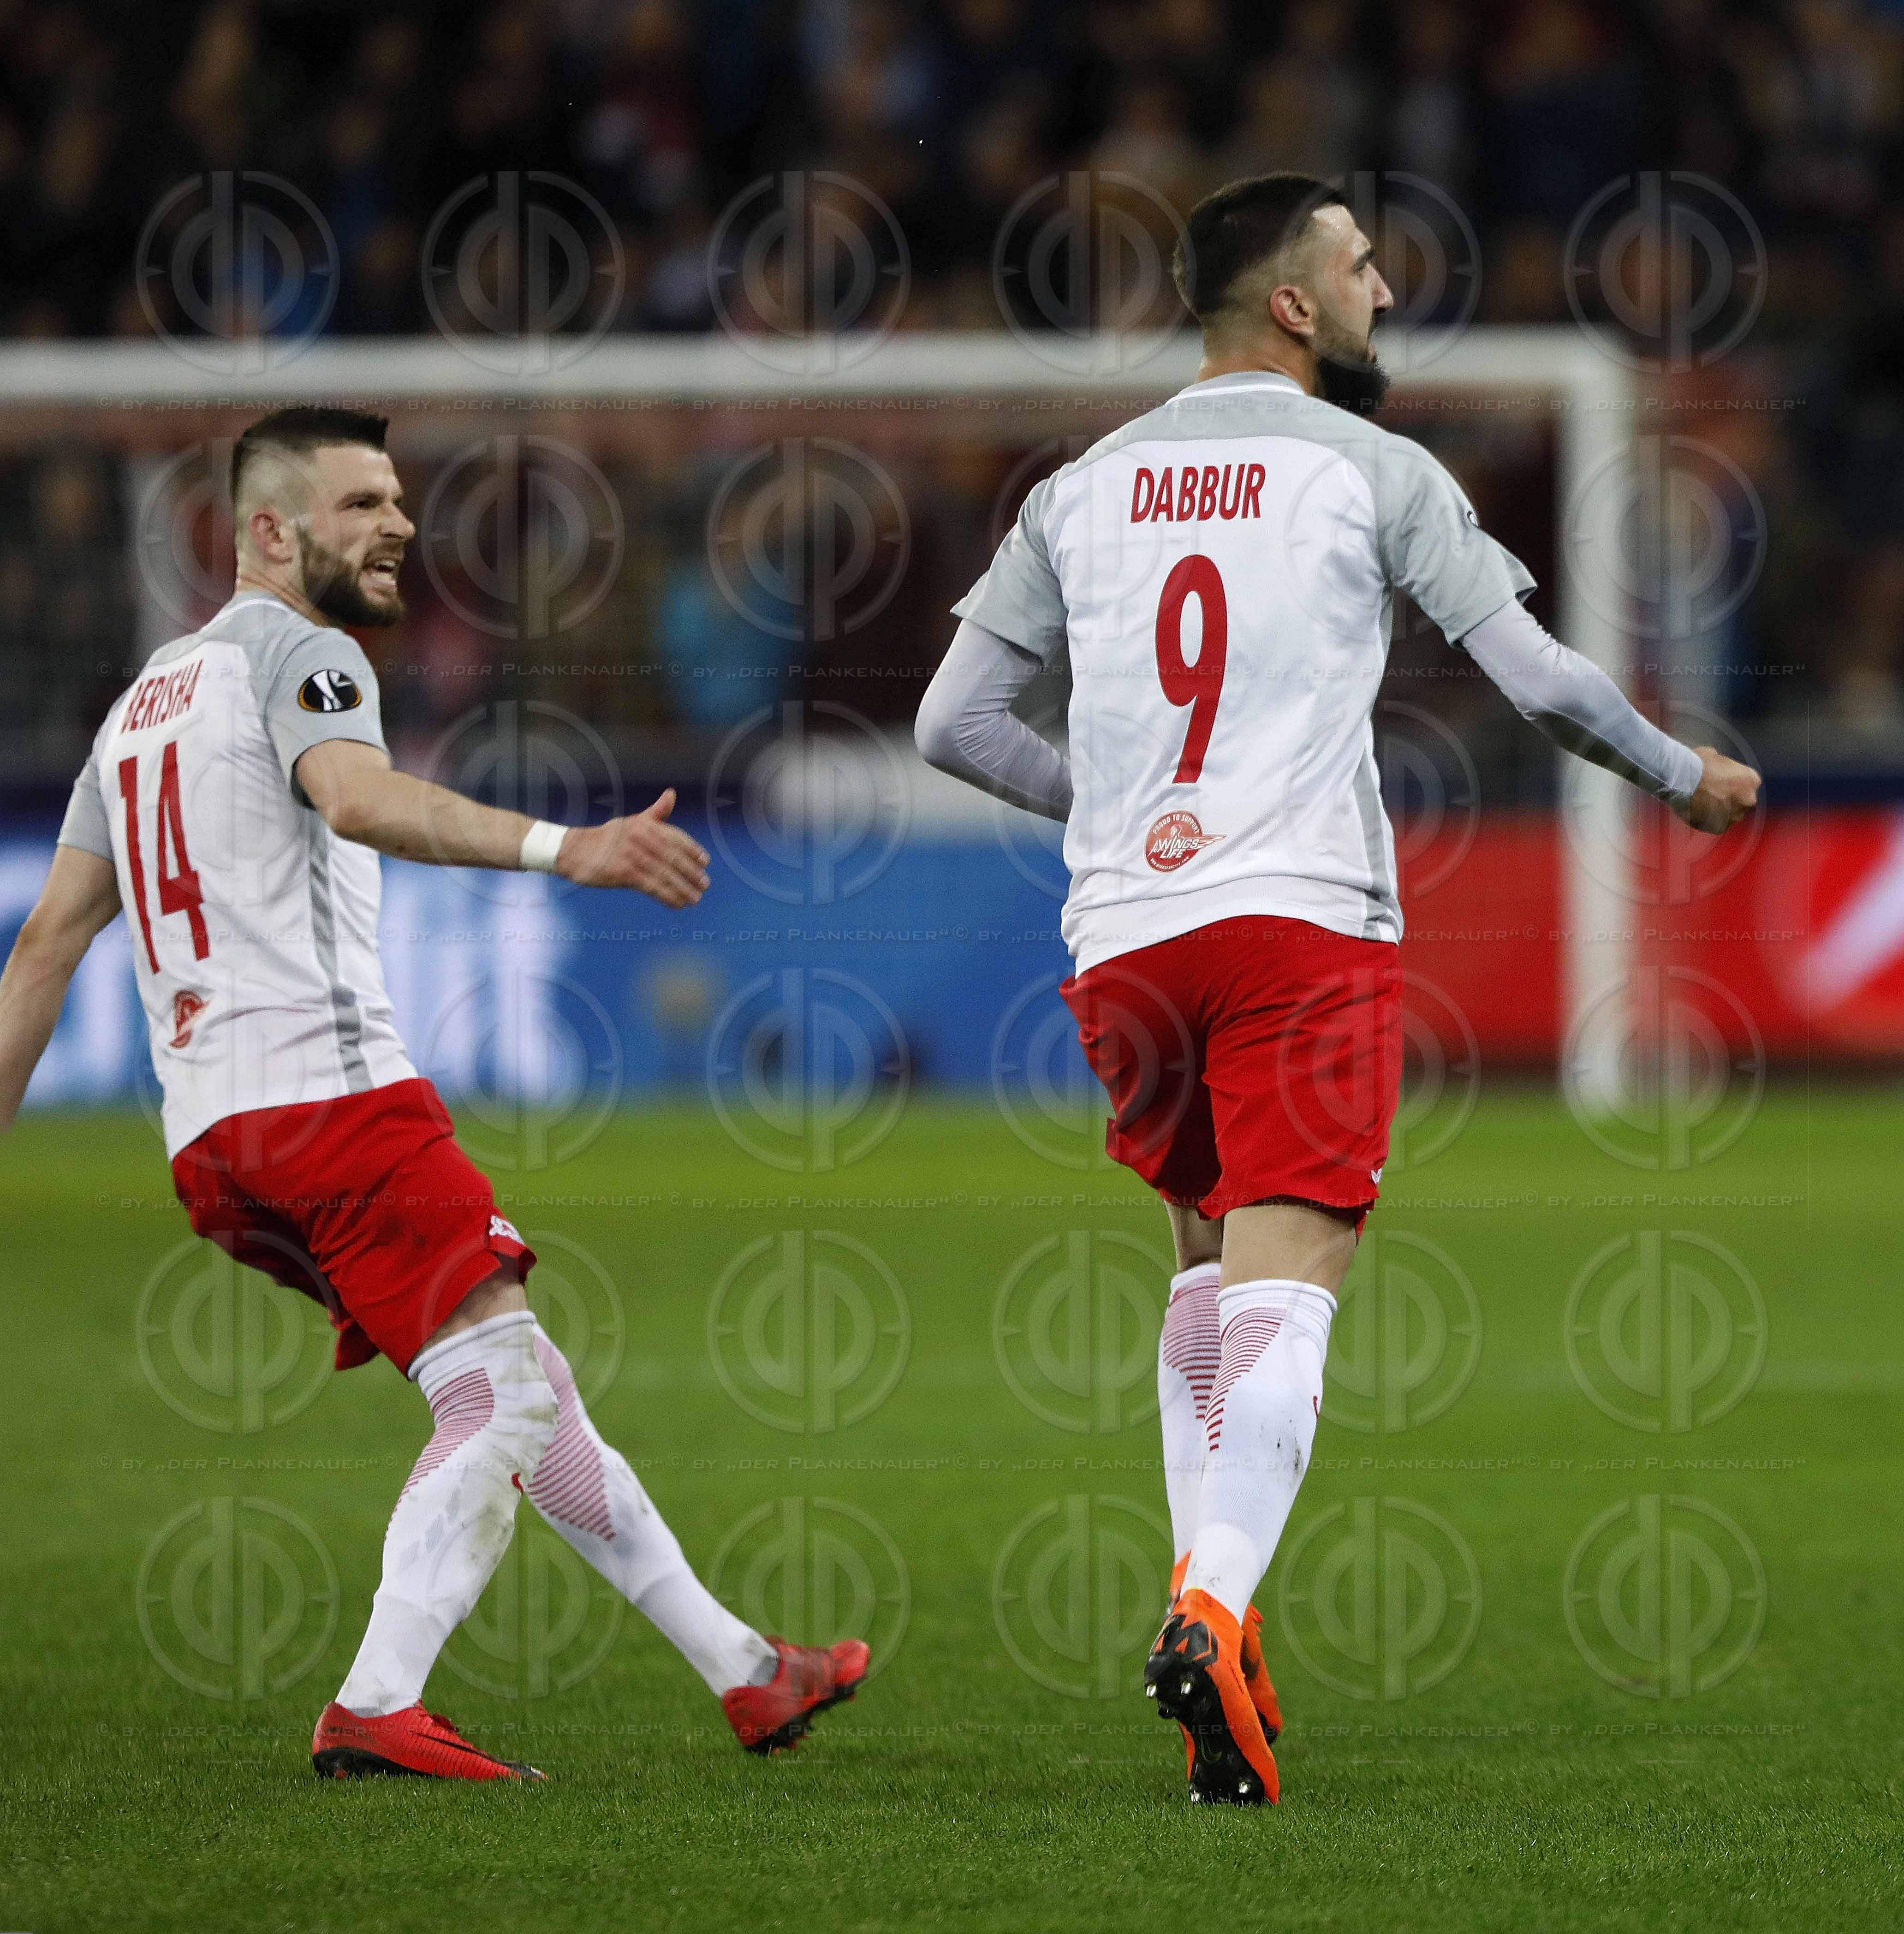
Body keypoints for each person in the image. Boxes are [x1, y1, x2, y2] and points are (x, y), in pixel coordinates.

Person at [915, 174, 1760, 1806]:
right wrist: (1682, 773)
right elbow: (1541, 678)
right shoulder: (1374, 468)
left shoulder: (1079, 489)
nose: (1384, 288)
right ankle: (1215, 1605)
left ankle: (1207, 1608)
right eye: (1362, 266)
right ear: (1292, 305)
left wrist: (1112, 807)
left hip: (1126, 936)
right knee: (1295, 1274)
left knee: (1205, 1266)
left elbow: (952, 721)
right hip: (1297, 917)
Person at [0, 406, 867, 1781]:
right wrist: (560, 845)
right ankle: (376, 1701)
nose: (398, 523)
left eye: (397, 498)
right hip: (333, 1106)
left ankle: (748, 1670)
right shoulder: (305, 650)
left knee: (527, 1385)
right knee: (506, 1398)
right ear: (268, 534)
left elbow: (45, 945)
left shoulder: (137, 709)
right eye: (360, 504)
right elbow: (355, 800)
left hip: (214, 1148)